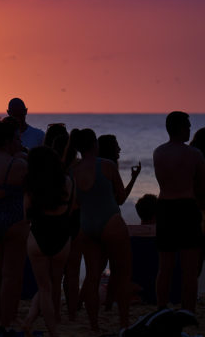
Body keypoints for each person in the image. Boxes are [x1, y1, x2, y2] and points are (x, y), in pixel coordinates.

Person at [68, 128, 131, 331]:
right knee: (121, 274)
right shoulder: (107, 165)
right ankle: (124, 322)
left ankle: (94, 326)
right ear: (95, 144)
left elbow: (75, 203)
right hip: (110, 221)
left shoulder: (73, 170)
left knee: (93, 277)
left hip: (87, 225)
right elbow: (120, 198)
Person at [152, 111, 205, 312]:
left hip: (165, 207)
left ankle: (161, 308)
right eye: (188, 126)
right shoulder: (194, 154)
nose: (190, 130)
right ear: (181, 128)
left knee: (165, 267)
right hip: (186, 208)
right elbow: (202, 185)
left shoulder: (158, 152)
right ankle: (188, 311)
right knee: (189, 270)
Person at [22, 146, 75, 337]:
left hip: (38, 234)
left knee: (44, 287)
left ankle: (49, 329)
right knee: (52, 283)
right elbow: (70, 210)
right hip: (61, 234)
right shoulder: (67, 181)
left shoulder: (31, 184)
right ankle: (42, 325)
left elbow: (26, 215)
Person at [0, 117, 28, 330]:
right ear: (10, 139)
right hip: (14, 220)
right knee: (11, 276)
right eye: (17, 138)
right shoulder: (19, 164)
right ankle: (7, 321)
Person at [98, 134, 141, 199]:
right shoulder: (110, 168)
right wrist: (133, 179)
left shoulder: (95, 169)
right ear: (110, 149)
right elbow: (120, 199)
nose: (119, 149)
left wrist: (133, 178)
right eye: (116, 146)